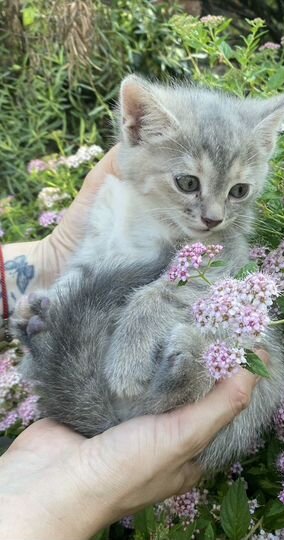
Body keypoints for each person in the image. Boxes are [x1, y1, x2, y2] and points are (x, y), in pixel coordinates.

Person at [0, 146, 265, 539]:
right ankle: (76, 357)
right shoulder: (128, 199)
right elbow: (93, 271)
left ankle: (176, 386)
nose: (216, 214)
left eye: (238, 191)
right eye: (189, 182)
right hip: (103, 403)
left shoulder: (210, 232)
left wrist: (56, 261)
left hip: (160, 380)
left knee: (232, 323)